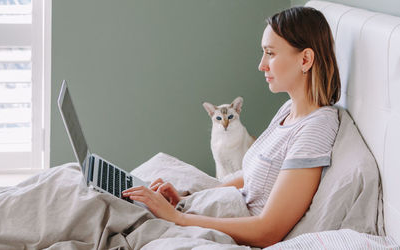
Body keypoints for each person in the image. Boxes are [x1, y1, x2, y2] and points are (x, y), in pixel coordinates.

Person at [122, 6, 341, 248]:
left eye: (270, 53)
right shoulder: (288, 110)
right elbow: (253, 175)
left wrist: (177, 217)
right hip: (216, 207)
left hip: (234, 227)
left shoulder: (315, 128)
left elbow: (267, 231)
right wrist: (188, 199)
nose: (262, 65)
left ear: (306, 59)